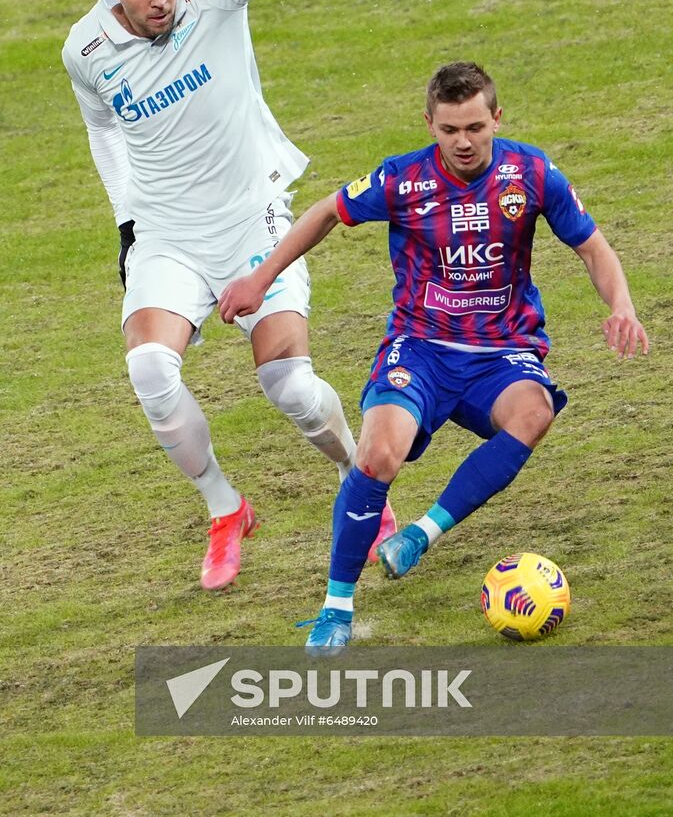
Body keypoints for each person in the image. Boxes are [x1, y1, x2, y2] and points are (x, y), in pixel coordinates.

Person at [219, 60, 649, 653]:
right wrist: (261, 280)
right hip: (419, 348)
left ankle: (422, 534)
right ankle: (335, 609)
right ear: (430, 124)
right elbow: (323, 213)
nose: (464, 141)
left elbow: (594, 249)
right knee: (375, 459)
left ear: (496, 118)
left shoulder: (531, 172)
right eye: (449, 130)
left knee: (534, 412)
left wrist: (621, 304)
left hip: (503, 353)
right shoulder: (403, 180)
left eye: (475, 126)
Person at [62, 0, 395, 592]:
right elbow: (102, 128)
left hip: (251, 218)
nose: (161, 0)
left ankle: (359, 486)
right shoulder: (84, 49)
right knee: (149, 372)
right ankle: (226, 507)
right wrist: (126, 219)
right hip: (167, 233)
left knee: (289, 385)